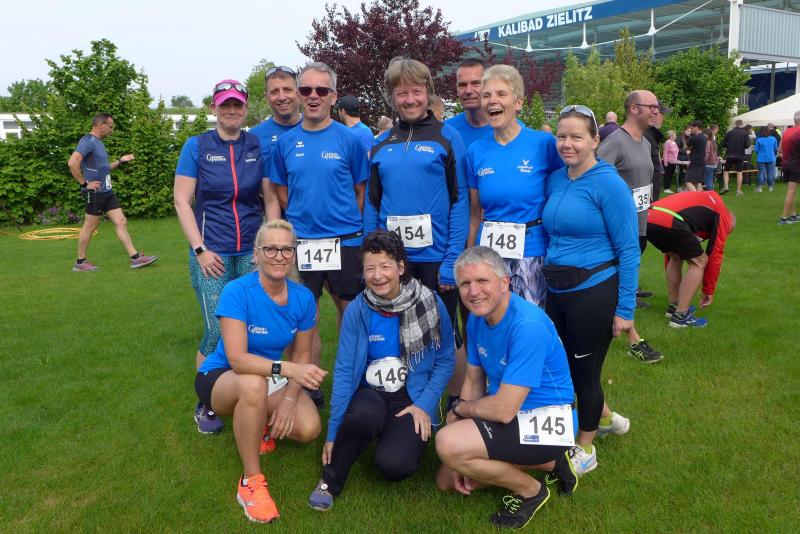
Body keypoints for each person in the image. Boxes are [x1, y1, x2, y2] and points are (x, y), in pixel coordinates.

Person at [308, 230, 455, 511]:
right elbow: (345, 371)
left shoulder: (430, 302)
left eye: (385, 266)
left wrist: (424, 405)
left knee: (394, 466)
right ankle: (330, 480)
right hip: (371, 393)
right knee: (362, 416)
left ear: (400, 267)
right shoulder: (358, 310)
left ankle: (391, 433)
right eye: (370, 268)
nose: (377, 276)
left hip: (410, 397)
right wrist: (333, 433)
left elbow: (446, 359)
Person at [435, 246, 578, 529]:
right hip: (510, 413)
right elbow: (474, 378)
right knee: (446, 480)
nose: (473, 292)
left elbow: (502, 410)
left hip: (548, 420)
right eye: (465, 284)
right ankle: (554, 464)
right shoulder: (477, 318)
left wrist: (461, 410)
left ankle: (531, 491)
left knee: (449, 444)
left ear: (504, 283)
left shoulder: (527, 325)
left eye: (482, 281)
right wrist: (462, 425)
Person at [195, 219, 328, 523]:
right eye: (270, 249)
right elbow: (238, 360)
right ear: (255, 254)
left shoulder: (303, 298)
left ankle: (260, 423)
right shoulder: (236, 291)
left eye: (286, 249)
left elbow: (302, 354)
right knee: (253, 385)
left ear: (294, 254)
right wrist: (287, 368)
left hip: (267, 375)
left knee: (308, 428)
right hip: (220, 377)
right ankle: (250, 482)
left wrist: (290, 400)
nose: (279, 256)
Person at [543, 104, 640, 475]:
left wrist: (626, 310)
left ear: (595, 140)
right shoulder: (557, 179)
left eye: (576, 137)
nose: (567, 144)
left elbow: (629, 249)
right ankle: (606, 418)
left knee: (584, 372)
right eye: (561, 136)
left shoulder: (609, 184)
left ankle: (585, 447)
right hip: (557, 290)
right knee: (563, 366)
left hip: (594, 290)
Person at [365, 57, 468, 405]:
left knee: (446, 332)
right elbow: (372, 205)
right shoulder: (381, 143)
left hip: (437, 258)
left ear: (428, 93)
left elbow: (460, 201)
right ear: (391, 98)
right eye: (401, 93)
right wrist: (371, 256)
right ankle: (406, 398)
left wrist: (452, 259)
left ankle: (455, 399)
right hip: (395, 261)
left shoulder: (448, 137)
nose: (410, 99)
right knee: (397, 327)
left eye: (416, 92)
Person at [174, 79, 271, 433]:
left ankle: (252, 392)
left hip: (249, 252)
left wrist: (267, 244)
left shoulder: (256, 145)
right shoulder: (197, 146)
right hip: (211, 253)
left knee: (251, 327)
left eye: (237, 104)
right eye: (224, 104)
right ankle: (207, 400)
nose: (231, 110)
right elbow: (181, 200)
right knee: (217, 329)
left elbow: (267, 197)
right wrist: (199, 249)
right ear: (214, 107)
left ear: (245, 107)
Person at [270, 62, 370, 403]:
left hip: (346, 241)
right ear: (300, 95)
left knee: (351, 313)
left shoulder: (350, 140)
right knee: (303, 316)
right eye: (307, 90)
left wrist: (343, 224)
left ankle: (351, 382)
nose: (314, 96)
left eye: (321, 90)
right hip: (303, 243)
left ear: (333, 97)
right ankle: (307, 386)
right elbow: (283, 194)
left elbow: (360, 191)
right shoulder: (285, 143)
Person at [465, 64, 563, 307]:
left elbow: (564, 194)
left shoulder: (544, 144)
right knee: (492, 317)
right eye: (486, 95)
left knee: (529, 320)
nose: (492, 101)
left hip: (532, 251)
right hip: (489, 255)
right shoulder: (476, 151)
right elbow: (474, 212)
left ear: (518, 102)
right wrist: (470, 256)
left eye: (501, 94)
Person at [597, 90, 664, 364]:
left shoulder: (645, 143)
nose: (657, 112)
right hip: (617, 231)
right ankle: (633, 338)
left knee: (623, 283)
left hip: (639, 226)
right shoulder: (614, 142)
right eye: (652, 107)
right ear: (634, 108)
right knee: (620, 283)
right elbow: (593, 179)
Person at [67, 112, 158, 272]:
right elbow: (72, 162)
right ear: (100, 125)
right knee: (90, 226)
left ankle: (135, 258)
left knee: (121, 221)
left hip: (107, 191)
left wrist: (120, 161)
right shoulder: (88, 141)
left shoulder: (99, 143)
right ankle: (80, 262)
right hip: (95, 193)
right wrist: (85, 184)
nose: (111, 130)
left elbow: (104, 168)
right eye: (110, 127)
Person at [646, 191, 735, 328]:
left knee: (675, 256)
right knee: (700, 261)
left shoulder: (704, 200)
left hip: (648, 217)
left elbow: (673, 252)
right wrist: (708, 290)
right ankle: (680, 316)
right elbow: (715, 252)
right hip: (670, 219)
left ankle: (674, 306)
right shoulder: (722, 214)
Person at [250, 66, 303, 220]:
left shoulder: (317, 128)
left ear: (298, 92)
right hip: (275, 223)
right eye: (274, 92)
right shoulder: (254, 137)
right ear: (267, 96)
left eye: (287, 90)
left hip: (317, 223)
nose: (281, 97)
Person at [445, 58, 491, 147]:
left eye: (476, 83)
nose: (468, 91)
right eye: (462, 85)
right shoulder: (445, 131)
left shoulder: (510, 130)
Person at [778, 110, 800, 224]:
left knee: (791, 191)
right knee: (791, 191)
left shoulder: (787, 131)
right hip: (796, 165)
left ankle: (793, 214)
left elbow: (780, 150)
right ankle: (784, 218)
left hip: (786, 164)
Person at [721, 119, 751, 195]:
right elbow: (747, 145)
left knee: (726, 171)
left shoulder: (729, 132)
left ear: (735, 124)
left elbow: (723, 143)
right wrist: (742, 145)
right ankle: (738, 191)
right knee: (739, 172)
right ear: (742, 124)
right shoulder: (745, 133)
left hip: (730, 155)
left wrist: (729, 146)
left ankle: (726, 186)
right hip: (740, 155)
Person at [684, 120, 707, 192]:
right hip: (702, 162)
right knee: (698, 182)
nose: (691, 130)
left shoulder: (694, 138)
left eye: (692, 128)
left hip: (695, 162)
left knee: (688, 180)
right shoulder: (704, 137)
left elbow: (685, 147)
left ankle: (695, 196)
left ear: (696, 127)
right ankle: (700, 198)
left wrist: (689, 148)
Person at [754, 126, 778, 193]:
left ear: (762, 132)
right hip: (771, 158)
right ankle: (770, 187)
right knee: (770, 173)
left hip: (761, 158)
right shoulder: (773, 139)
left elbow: (756, 150)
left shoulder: (759, 140)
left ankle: (759, 188)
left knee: (761, 173)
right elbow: (775, 148)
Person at [703, 127, 720, 192]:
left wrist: (704, 161)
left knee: (707, 180)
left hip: (708, 164)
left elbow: (707, 154)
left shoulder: (708, 143)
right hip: (714, 164)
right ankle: (712, 192)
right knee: (710, 179)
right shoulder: (713, 143)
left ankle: (710, 192)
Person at [662, 130, 679, 194]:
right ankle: (666, 188)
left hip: (674, 162)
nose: (676, 136)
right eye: (675, 135)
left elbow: (676, 152)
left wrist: (676, 160)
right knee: (667, 175)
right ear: (671, 136)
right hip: (668, 161)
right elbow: (665, 152)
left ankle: (668, 187)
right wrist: (665, 162)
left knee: (671, 175)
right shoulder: (667, 142)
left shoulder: (674, 142)